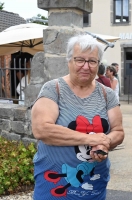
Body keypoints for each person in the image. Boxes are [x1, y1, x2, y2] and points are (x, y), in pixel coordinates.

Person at [31, 34, 125, 200]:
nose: (86, 66)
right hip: (53, 185)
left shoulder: (107, 95)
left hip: (94, 185)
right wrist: (90, 139)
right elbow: (42, 129)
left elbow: (118, 130)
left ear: (98, 64)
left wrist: (105, 142)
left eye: (92, 61)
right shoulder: (53, 89)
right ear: (69, 61)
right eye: (80, 60)